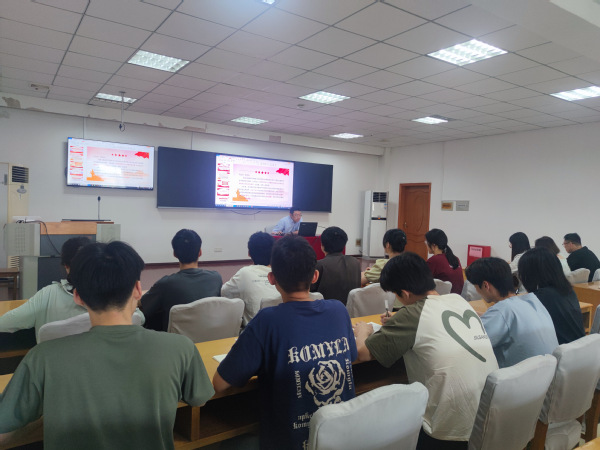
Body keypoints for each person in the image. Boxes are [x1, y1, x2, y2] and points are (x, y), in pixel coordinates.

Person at [0, 241, 214, 450]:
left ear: (77, 296)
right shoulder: (181, 348)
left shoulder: (42, 358)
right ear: (137, 289)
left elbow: (5, 424)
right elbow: (200, 399)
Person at [213, 235, 356, 450]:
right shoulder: (338, 310)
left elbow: (219, 383)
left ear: (272, 278)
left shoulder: (267, 320)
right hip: (340, 439)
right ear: (315, 276)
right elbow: (351, 356)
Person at [354, 253, 497, 450]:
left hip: (448, 431)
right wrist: (399, 321)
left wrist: (363, 331)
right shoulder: (458, 300)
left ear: (405, 294)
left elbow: (362, 352)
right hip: (490, 417)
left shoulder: (411, 314)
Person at [465, 257, 558, 368]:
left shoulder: (501, 311)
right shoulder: (531, 301)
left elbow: (470, 344)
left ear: (486, 285)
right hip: (547, 372)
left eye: (475, 287)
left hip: (521, 376)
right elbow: (505, 320)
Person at [0, 237, 90, 341]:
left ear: (66, 266)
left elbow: (5, 323)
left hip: (49, 351)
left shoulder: (48, 294)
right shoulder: (105, 302)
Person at [140, 229, 222, 331]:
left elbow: (143, 305)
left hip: (176, 340)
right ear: (200, 252)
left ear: (175, 253)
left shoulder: (165, 284)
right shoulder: (216, 278)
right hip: (211, 337)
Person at [519, 248, 585, 344]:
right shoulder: (568, 291)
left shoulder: (538, 298)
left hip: (559, 351)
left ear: (530, 274)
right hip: (579, 348)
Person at [221, 231, 278, 325]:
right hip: (280, 328)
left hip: (254, 330)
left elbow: (224, 292)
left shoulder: (244, 273)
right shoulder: (282, 274)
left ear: (249, 253)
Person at [310, 226, 361, 304]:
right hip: (350, 309)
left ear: (322, 245)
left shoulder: (319, 265)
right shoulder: (355, 262)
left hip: (325, 309)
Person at [425, 228, 464, 294]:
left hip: (441, 298)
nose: (426, 245)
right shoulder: (455, 258)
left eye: (426, 242)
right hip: (457, 298)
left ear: (433, 245)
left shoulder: (433, 261)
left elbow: (421, 282)